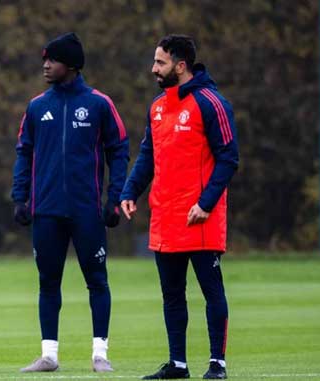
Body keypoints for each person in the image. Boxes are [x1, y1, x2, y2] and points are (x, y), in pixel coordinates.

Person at [120, 35, 239, 380]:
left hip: (200, 216)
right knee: (172, 295)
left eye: (160, 62)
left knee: (211, 291)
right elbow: (147, 155)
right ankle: (178, 365)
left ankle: (217, 364)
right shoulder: (157, 106)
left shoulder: (211, 102)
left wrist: (206, 203)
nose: (153, 68)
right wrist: (131, 191)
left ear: (181, 65)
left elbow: (229, 159)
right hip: (167, 217)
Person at [11, 32, 129, 373]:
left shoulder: (99, 104)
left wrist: (114, 197)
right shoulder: (37, 106)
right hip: (46, 211)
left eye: (53, 59)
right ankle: (49, 356)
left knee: (97, 281)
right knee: (48, 282)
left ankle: (100, 355)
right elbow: (24, 153)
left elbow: (119, 149)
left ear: (72, 65)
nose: (46, 65)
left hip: (86, 210)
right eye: (45, 59)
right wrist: (20, 197)